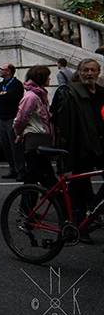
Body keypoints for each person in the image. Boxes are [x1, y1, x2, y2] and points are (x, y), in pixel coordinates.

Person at [52, 58, 104, 227]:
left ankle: (92, 210)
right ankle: (79, 222)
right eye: (85, 70)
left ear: (98, 72)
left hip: (102, 145)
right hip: (83, 145)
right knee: (78, 185)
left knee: (83, 186)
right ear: (79, 73)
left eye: (93, 70)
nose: (89, 73)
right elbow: (56, 117)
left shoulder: (102, 92)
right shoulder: (68, 92)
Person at [13, 65, 57, 189]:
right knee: (45, 176)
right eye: (48, 77)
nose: (49, 79)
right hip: (35, 139)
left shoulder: (40, 95)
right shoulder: (31, 97)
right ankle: (60, 202)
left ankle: (27, 206)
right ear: (42, 78)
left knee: (33, 176)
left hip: (39, 139)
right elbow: (21, 118)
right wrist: (19, 133)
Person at [0, 63, 25, 181]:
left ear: (8, 71)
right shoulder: (1, 84)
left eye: (2, 69)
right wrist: (1, 94)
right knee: (6, 146)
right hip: (2, 118)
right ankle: (12, 169)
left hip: (12, 118)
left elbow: (11, 98)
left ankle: (21, 170)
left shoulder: (16, 84)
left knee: (15, 146)